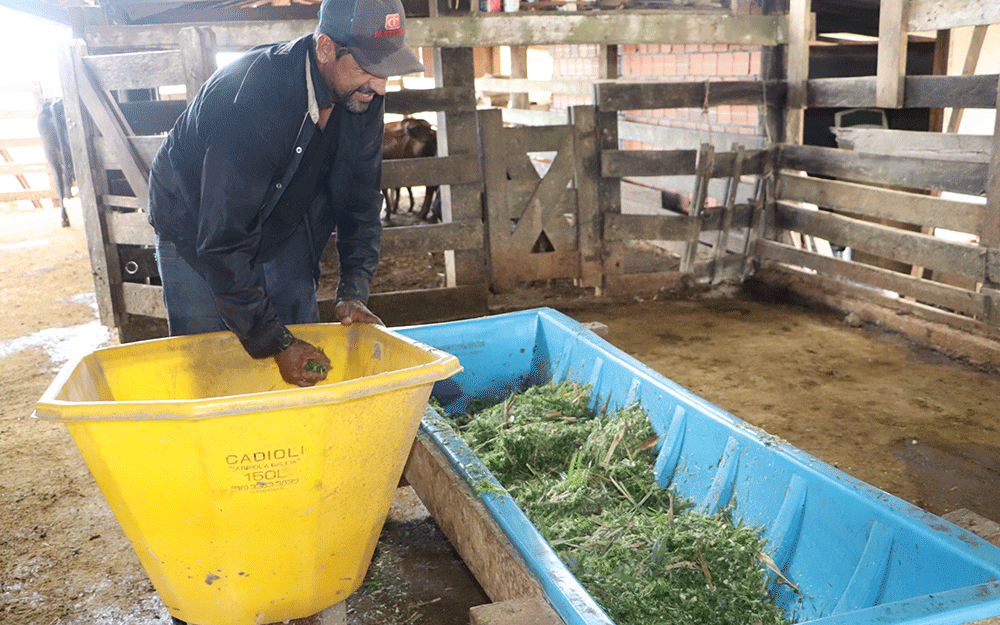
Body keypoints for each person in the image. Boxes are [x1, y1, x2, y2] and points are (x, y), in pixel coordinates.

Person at [147, 0, 424, 388]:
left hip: (285, 218)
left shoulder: (361, 94)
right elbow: (223, 242)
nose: (380, 86)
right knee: (211, 362)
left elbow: (361, 196)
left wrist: (353, 290)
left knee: (302, 351)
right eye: (367, 68)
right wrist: (275, 342)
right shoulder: (251, 100)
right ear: (326, 49)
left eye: (386, 71)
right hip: (195, 225)